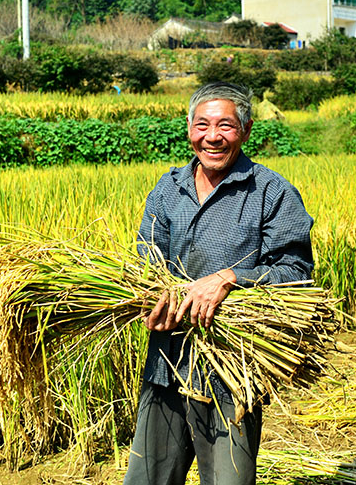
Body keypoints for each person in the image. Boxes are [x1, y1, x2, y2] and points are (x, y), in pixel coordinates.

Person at [123, 82, 314, 485]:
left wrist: (232, 278)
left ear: (245, 131)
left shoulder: (271, 192)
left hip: (233, 370)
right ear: (189, 127)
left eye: (225, 125)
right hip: (166, 362)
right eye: (202, 124)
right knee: (148, 478)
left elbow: (297, 272)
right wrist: (148, 296)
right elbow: (147, 255)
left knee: (228, 480)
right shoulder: (168, 188)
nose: (212, 136)